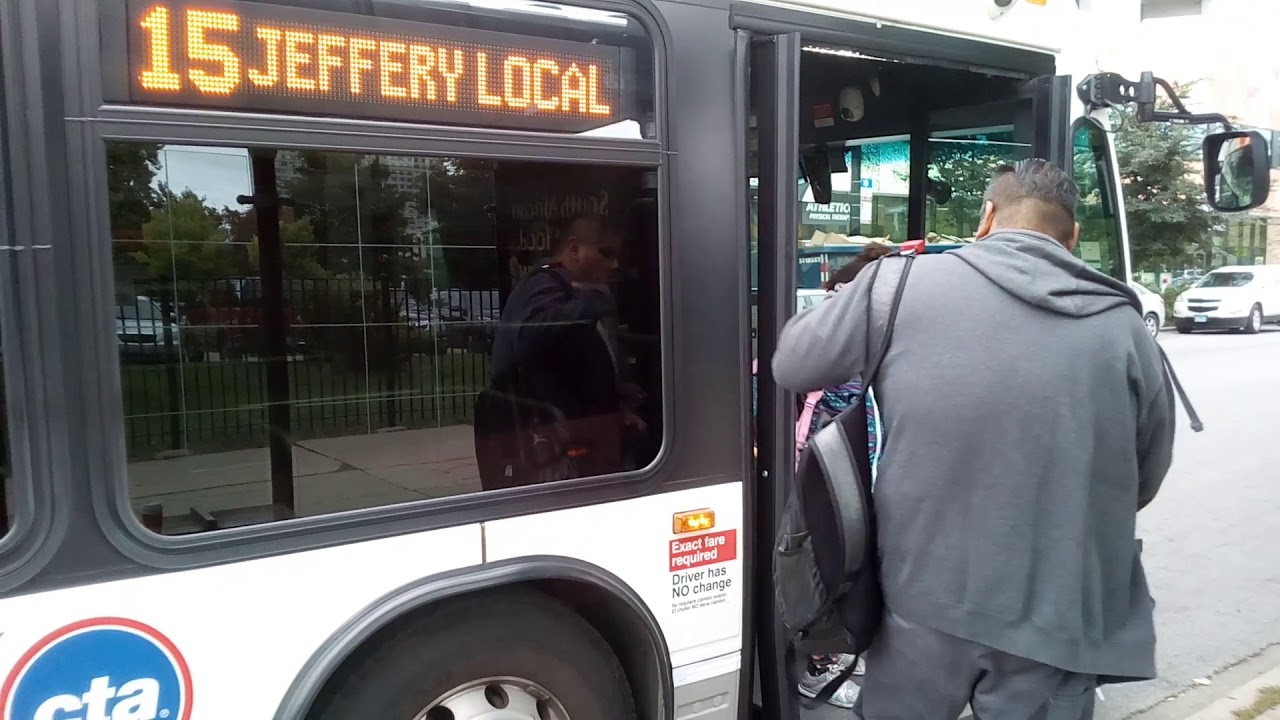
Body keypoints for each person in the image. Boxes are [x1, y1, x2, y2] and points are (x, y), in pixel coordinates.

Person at [773, 159, 1176, 720]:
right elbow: (1143, 478)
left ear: (986, 217)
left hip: (923, 601)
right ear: (1073, 237)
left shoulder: (898, 284)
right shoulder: (1126, 326)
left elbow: (791, 364)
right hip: (1059, 617)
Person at [476, 214, 642, 489]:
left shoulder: (570, 292)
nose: (614, 265)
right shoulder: (544, 286)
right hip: (555, 447)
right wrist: (596, 300)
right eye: (606, 253)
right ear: (574, 249)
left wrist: (621, 403)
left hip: (582, 437)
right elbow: (534, 339)